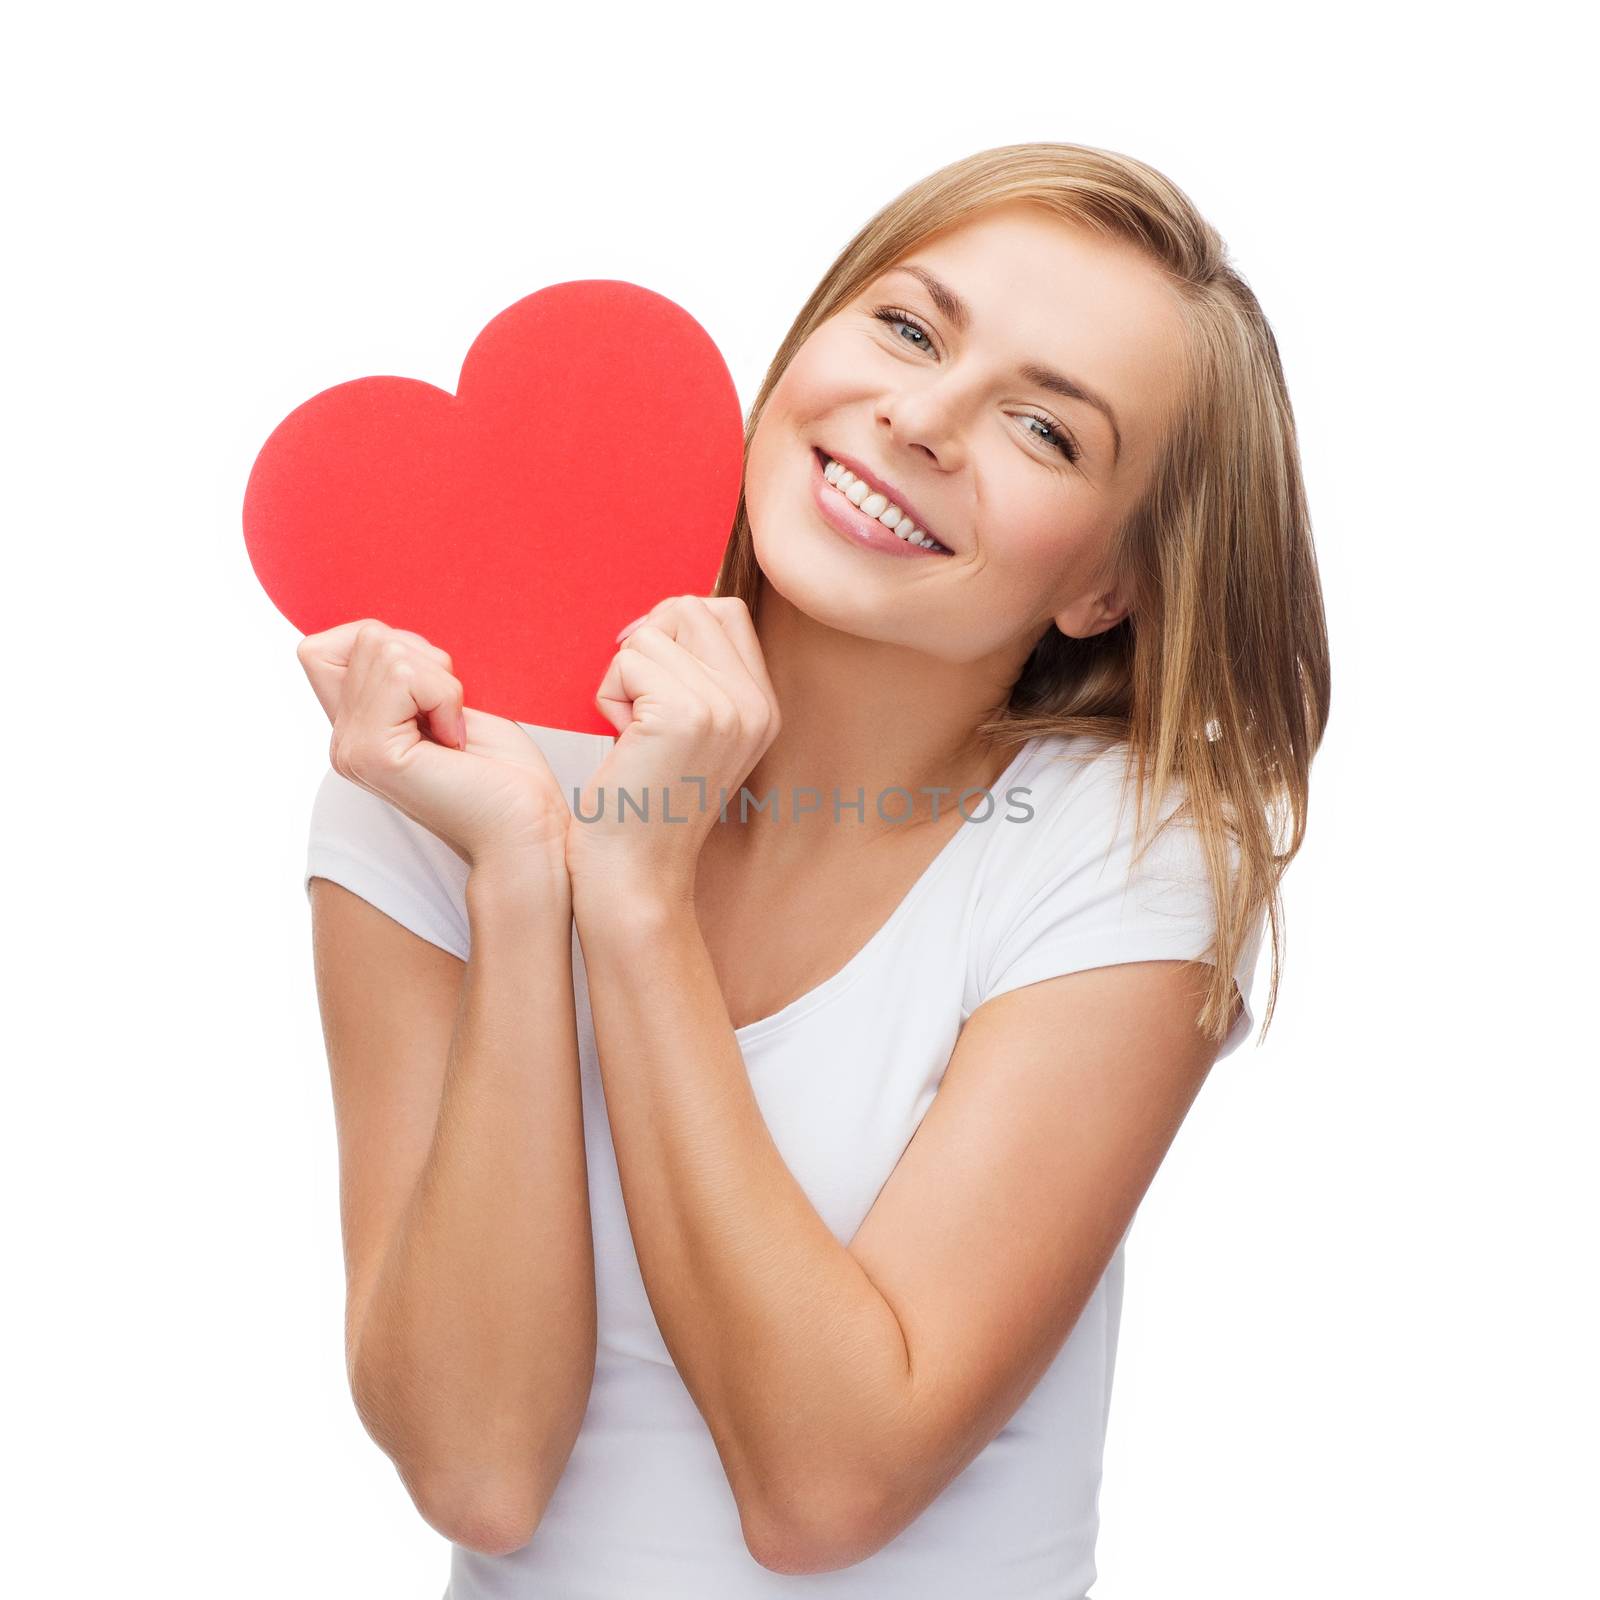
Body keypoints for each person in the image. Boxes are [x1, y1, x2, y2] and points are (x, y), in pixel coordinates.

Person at [299, 140, 1329, 1599]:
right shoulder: (450, 759)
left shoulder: (1128, 849)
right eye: (909, 327)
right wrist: (527, 882)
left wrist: (639, 899)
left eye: (1045, 431)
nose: (918, 419)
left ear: (1109, 584)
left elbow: (825, 1487)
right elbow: (477, 1470)